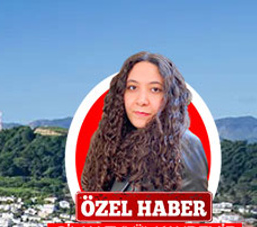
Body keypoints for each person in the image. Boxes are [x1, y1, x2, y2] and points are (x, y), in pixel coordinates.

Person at [80, 52, 207, 193]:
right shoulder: (105, 139)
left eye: (155, 89)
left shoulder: (185, 145)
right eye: (132, 87)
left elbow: (195, 208)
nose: (141, 101)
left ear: (170, 97)